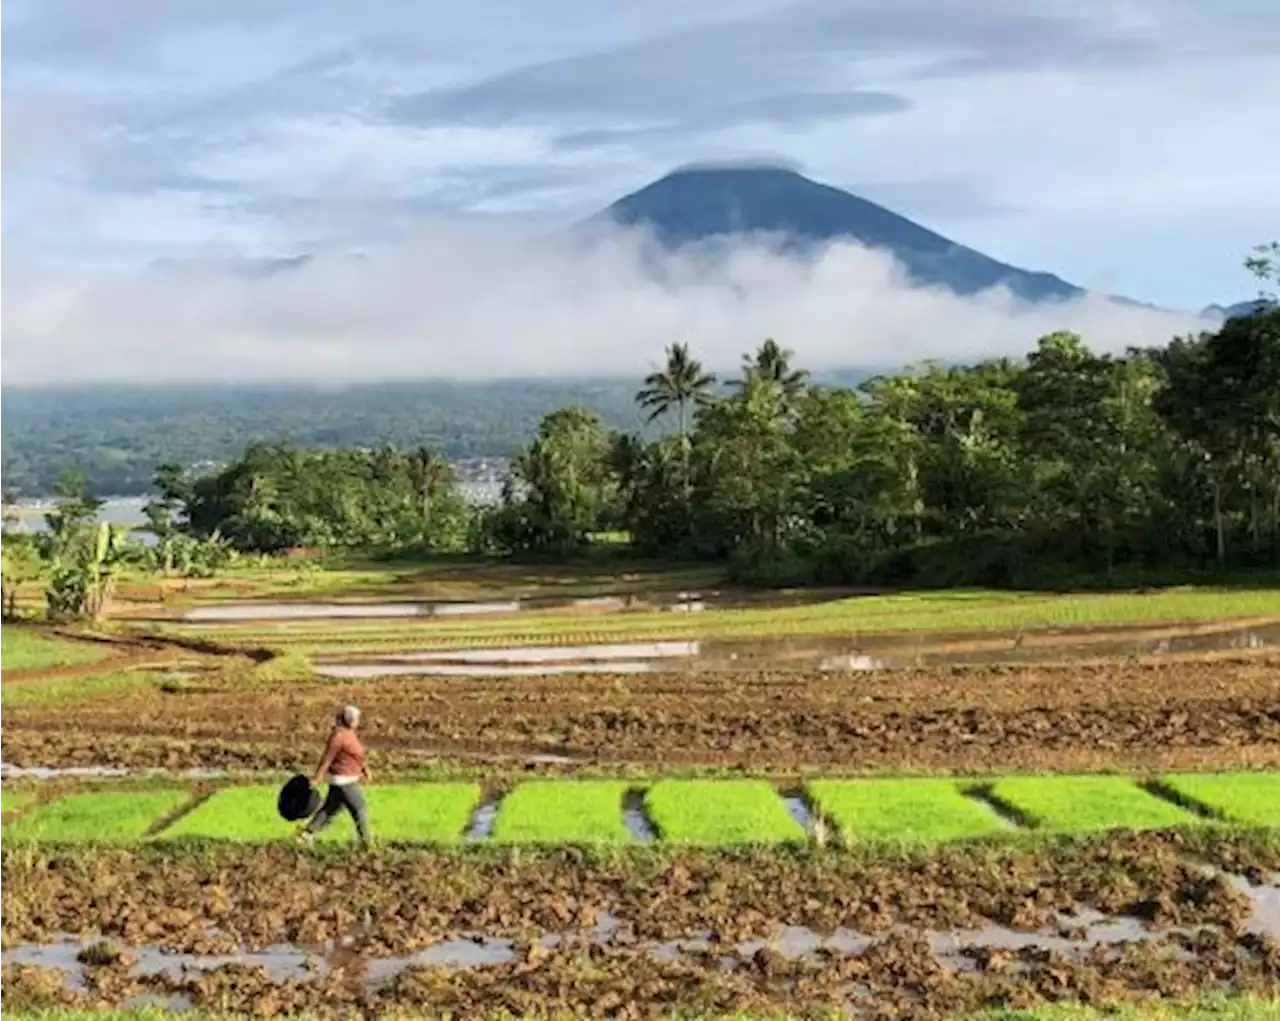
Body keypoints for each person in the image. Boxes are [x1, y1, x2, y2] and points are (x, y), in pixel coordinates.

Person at [297, 704, 372, 846]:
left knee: (329, 809)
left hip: (344, 780)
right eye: (356, 719)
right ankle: (367, 843)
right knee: (360, 808)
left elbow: (356, 755)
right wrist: (318, 777)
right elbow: (327, 758)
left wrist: (364, 768)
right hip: (345, 780)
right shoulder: (338, 736)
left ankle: (306, 834)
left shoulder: (348, 733)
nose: (358, 721)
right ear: (349, 720)